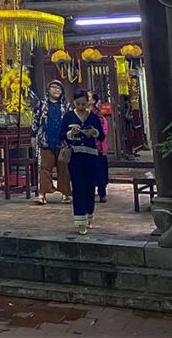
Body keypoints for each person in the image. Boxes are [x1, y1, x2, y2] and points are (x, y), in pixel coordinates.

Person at [61, 89, 106, 235]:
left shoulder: (92, 117)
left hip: (91, 154)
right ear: (74, 103)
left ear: (87, 103)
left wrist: (93, 132)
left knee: (90, 186)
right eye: (78, 104)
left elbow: (101, 136)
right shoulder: (68, 116)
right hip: (75, 155)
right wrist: (71, 134)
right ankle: (80, 221)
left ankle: (90, 215)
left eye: (83, 104)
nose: (80, 106)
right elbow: (61, 134)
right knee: (78, 187)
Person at [30, 80, 71, 204]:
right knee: (45, 168)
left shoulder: (66, 105)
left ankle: (65, 194)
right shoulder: (42, 104)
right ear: (48, 90)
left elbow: (70, 121)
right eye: (54, 87)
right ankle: (42, 194)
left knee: (63, 168)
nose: (57, 90)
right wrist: (33, 135)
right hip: (46, 140)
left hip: (62, 141)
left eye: (59, 88)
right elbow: (35, 120)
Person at [90, 93, 110, 203]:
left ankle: (102, 193)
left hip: (98, 146)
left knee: (100, 170)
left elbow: (104, 130)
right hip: (85, 146)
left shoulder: (99, 115)